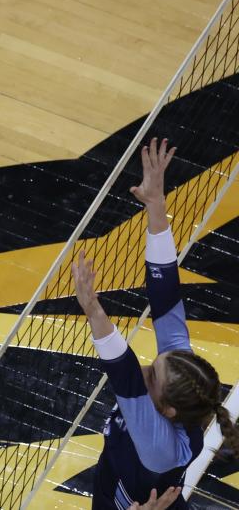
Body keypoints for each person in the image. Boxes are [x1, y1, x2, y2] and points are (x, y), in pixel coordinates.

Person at [72, 138, 239, 509]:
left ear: (168, 412)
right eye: (156, 366)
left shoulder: (158, 446)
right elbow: (166, 295)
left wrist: (94, 309)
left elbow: (126, 374)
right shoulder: (178, 379)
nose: (150, 366)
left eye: (153, 378)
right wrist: (156, 205)